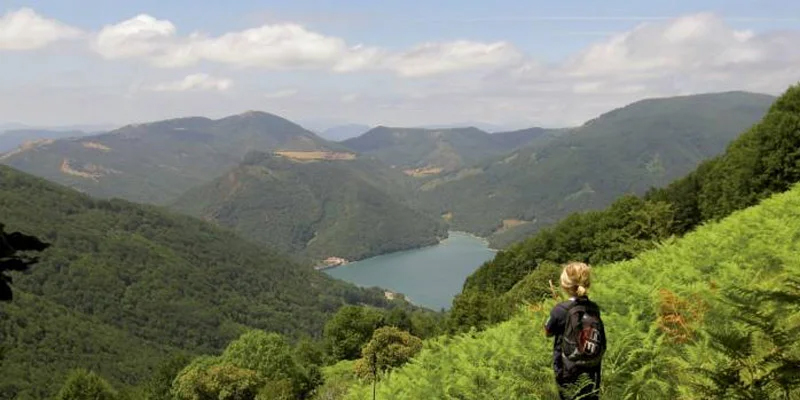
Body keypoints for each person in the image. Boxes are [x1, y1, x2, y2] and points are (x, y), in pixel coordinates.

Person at [545, 262, 605, 400]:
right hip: (592, 367)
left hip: (567, 368)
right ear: (587, 283)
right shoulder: (594, 308)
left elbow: (548, 332)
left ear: (564, 285)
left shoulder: (560, 310)